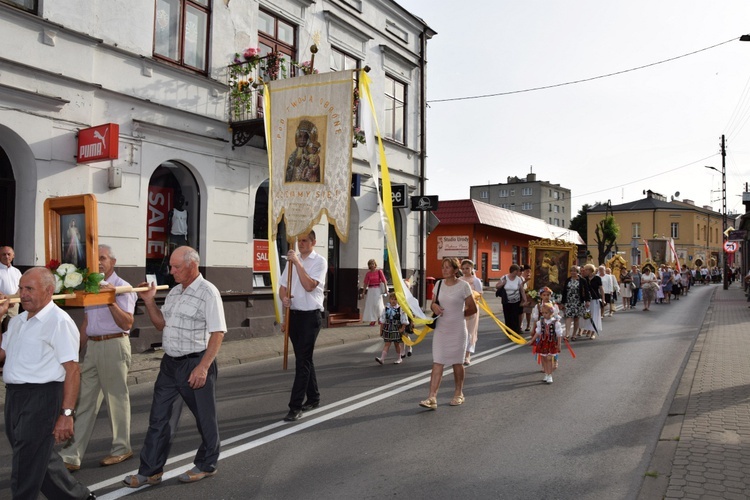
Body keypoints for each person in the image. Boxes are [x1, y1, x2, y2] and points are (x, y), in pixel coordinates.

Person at [124, 246, 226, 487]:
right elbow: (161, 325)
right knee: (159, 418)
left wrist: (203, 367)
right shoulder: (175, 293)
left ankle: (206, 464)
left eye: (176, 267)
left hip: (195, 363)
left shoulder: (208, 292)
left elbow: (218, 332)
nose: (171, 271)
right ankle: (150, 470)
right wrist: (149, 302)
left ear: (193, 265)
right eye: (171, 266)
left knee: (205, 418)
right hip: (170, 365)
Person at [0, 267, 95, 499]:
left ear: (49, 290)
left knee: (25, 462)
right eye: (21, 288)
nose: (23, 294)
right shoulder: (18, 321)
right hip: (15, 395)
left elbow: (72, 370)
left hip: (42, 396)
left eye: (29, 289)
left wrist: (67, 414)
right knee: (38, 457)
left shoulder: (59, 321)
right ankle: (78, 497)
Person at [60, 245, 137, 471]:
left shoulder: (123, 287)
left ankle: (122, 448)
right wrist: (75, 353)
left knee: (116, 399)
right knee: (84, 402)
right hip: (93, 347)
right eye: (95, 258)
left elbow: (127, 323)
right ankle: (72, 455)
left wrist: (110, 299)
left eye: (102, 258)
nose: (99, 262)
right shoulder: (91, 286)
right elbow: (86, 323)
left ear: (113, 261)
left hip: (114, 344)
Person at [279, 230, 327, 422]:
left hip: (310, 317)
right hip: (294, 316)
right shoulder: (292, 261)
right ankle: (313, 397)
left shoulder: (319, 261)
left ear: (313, 242)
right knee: (303, 358)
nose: (301, 244)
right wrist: (284, 299)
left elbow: (309, 285)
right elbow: (283, 286)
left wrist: (298, 263)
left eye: (305, 241)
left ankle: (295, 406)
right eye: (299, 241)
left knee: (302, 362)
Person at [419, 258, 476, 410]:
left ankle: (458, 393)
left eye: (447, 267)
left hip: (457, 329)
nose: (444, 270)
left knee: (457, 362)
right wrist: (434, 307)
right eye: (443, 267)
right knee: (438, 361)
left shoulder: (463, 286)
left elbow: (473, 308)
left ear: (455, 270)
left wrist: (459, 315)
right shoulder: (438, 284)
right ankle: (432, 397)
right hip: (441, 329)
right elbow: (433, 303)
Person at [527, 302, 563, 384]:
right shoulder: (541, 322)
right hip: (543, 342)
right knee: (543, 358)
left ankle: (550, 375)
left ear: (551, 312)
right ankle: (546, 373)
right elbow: (538, 332)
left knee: (549, 358)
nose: (544, 314)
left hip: (552, 342)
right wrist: (532, 340)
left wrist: (559, 345)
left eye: (546, 313)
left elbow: (559, 334)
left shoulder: (556, 323)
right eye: (543, 313)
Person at [460, 259, 483, 366]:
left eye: (467, 268)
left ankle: (467, 355)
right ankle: (460, 353)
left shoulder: (476, 280)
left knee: (470, 331)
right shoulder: (459, 280)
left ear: (472, 268)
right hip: (461, 309)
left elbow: (480, 294)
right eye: (463, 268)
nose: (465, 270)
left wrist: (473, 294)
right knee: (461, 331)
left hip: (472, 309)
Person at [376, 293, 408, 365]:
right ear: (389, 300)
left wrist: (402, 328)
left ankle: (399, 358)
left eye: (395, 299)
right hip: (388, 328)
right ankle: (382, 359)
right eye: (392, 299)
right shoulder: (386, 308)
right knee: (387, 343)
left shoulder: (400, 309)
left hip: (396, 328)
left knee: (397, 344)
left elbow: (404, 320)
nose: (393, 301)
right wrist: (381, 330)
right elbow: (383, 320)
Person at [495, 264, 527, 336]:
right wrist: (503, 284)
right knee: (507, 316)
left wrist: (525, 299)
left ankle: (515, 330)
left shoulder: (518, 279)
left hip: (516, 301)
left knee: (515, 316)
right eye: (518, 271)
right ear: (514, 271)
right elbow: (497, 286)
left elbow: (522, 290)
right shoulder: (504, 277)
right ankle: (508, 331)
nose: (519, 272)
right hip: (506, 301)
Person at [560, 266, 590, 341]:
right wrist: (562, 302)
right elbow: (564, 292)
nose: (573, 272)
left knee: (576, 318)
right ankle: (567, 334)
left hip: (578, 301)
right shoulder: (568, 280)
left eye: (575, 271)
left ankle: (574, 334)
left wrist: (587, 300)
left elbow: (586, 291)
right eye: (571, 271)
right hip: (569, 301)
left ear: (578, 272)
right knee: (568, 317)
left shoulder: (582, 280)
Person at [0, 245, 22, 332]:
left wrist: (15, 299)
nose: (6, 256)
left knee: (12, 331)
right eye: (3, 254)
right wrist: (5, 298)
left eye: (9, 254)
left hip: (14, 304)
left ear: (13, 256)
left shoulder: (17, 271)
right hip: (1, 303)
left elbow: (22, 287)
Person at [580, 264, 603, 339]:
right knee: (587, 316)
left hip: (595, 299)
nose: (584, 271)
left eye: (586, 270)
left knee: (594, 316)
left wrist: (603, 299)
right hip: (587, 300)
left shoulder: (597, 278)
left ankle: (593, 333)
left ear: (590, 270)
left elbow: (601, 289)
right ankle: (588, 330)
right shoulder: (584, 279)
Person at [362, 259, 387, 326]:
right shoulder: (368, 274)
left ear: (375, 264)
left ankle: (380, 318)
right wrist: (363, 292)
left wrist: (386, 290)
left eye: (373, 264)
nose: (372, 265)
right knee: (371, 305)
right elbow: (365, 283)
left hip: (377, 290)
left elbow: (384, 281)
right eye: (370, 264)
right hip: (370, 290)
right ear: (369, 265)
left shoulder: (379, 272)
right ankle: (373, 319)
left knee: (378, 304)